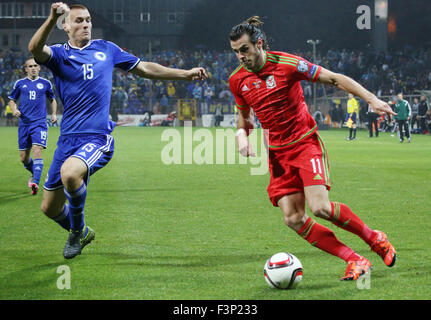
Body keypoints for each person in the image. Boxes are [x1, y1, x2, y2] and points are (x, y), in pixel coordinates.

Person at [29, 2, 207, 259]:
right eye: (78, 21)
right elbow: (35, 48)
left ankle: (77, 231)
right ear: (66, 26)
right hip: (67, 139)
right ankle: (83, 231)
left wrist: (184, 74)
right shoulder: (59, 55)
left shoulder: (107, 49)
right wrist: (50, 18)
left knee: (70, 173)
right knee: (50, 208)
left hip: (97, 137)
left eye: (88, 20)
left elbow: (144, 68)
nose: (85, 24)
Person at [229, 16, 397, 281]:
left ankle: (375, 238)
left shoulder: (288, 64)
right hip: (277, 154)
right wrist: (241, 136)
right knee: (293, 218)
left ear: (259, 44)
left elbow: (333, 79)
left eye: (244, 50)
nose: (240, 56)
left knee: (320, 208)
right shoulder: (237, 80)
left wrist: (371, 99)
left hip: (304, 143)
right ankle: (355, 259)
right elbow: (245, 117)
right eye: (236, 52)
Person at [7, 57, 57, 195]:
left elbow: (52, 99)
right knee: (23, 158)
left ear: (39, 68)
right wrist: (14, 109)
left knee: (37, 150)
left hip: (39, 123)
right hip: (24, 123)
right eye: (30, 66)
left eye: (35, 65)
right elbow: (11, 100)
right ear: (26, 69)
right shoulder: (20, 83)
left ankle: (36, 181)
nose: (33, 68)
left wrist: (53, 113)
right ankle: (33, 172)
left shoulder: (45, 83)